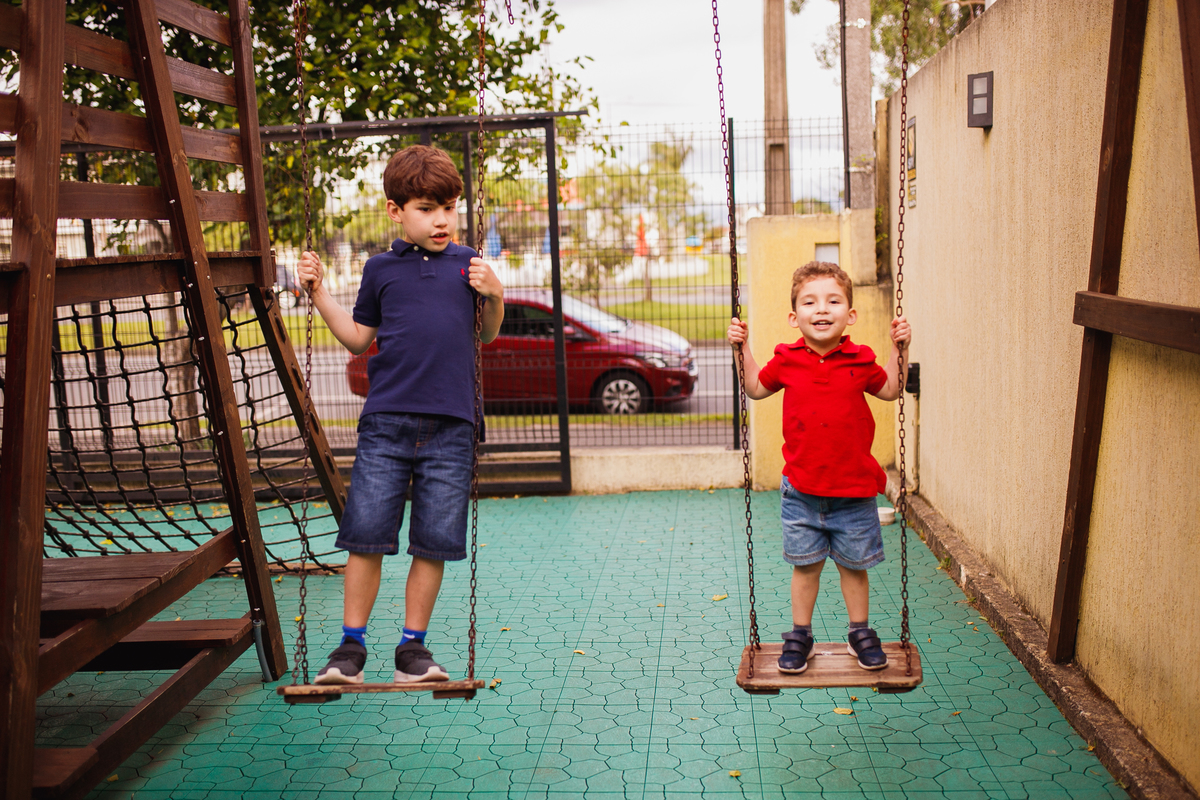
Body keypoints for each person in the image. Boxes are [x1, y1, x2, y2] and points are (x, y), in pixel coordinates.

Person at [296, 145, 504, 684]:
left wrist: (496, 294)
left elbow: (486, 333)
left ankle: (413, 651)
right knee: (366, 535)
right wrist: (318, 293)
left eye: (449, 207)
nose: (441, 219)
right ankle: (350, 650)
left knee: (433, 540)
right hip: (387, 423)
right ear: (395, 211)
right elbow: (359, 339)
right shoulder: (381, 269)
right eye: (426, 208)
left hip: (452, 427)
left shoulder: (470, 264)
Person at [726, 261, 911, 673]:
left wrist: (900, 347)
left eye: (833, 301)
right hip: (802, 491)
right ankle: (801, 634)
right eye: (810, 302)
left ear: (851, 314)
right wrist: (743, 348)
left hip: (854, 491)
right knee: (805, 566)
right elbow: (755, 389)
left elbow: (893, 389)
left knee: (854, 567)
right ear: (795, 317)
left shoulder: (861, 360)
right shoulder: (787, 359)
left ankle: (859, 632)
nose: (822, 309)